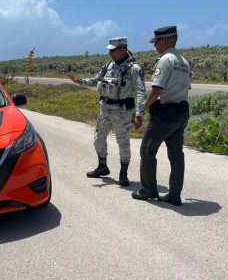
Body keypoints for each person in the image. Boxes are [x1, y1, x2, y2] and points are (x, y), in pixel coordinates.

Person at [67, 37, 146, 187]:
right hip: (105, 109)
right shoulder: (108, 65)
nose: (110, 53)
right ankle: (102, 166)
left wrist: (139, 114)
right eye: (109, 51)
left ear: (122, 49)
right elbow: (97, 79)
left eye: (112, 50)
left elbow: (141, 92)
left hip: (122, 111)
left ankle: (123, 173)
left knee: (123, 142)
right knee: (98, 139)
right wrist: (81, 81)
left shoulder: (134, 69)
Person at [132, 26, 191, 206]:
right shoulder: (184, 62)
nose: (155, 45)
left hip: (164, 113)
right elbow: (186, 88)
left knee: (147, 150)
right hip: (181, 112)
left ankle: (149, 189)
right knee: (176, 154)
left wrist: (141, 108)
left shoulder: (165, 60)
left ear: (165, 40)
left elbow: (157, 89)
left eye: (156, 42)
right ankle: (174, 195)